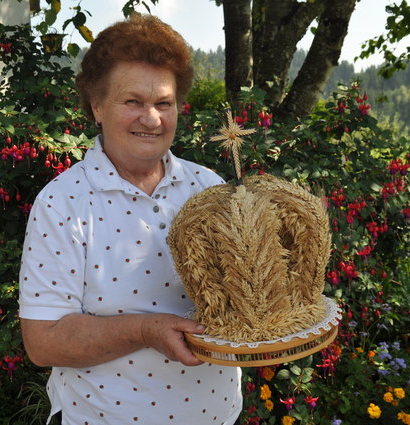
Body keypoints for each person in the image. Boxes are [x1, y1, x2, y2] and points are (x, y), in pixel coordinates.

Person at [18, 14, 242, 425]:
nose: (152, 118)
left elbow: (240, 293)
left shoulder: (207, 186)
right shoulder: (63, 203)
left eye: (164, 103)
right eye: (132, 101)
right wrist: (144, 331)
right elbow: (43, 342)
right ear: (97, 107)